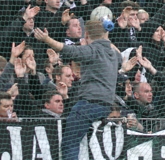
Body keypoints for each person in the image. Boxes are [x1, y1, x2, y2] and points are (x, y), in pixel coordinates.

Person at [34, 20, 120, 160]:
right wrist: (105, 35)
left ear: (86, 34)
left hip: (89, 104)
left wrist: (46, 39)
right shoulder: (113, 53)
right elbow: (119, 56)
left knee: (70, 143)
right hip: (106, 105)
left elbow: (67, 49)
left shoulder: (92, 50)